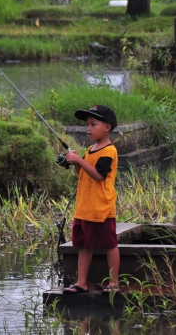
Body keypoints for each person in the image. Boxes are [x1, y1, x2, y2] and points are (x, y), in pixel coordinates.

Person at [62, 105, 120, 295]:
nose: (88, 128)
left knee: (110, 244)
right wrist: (73, 162)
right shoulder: (90, 150)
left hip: (101, 208)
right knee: (83, 245)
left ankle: (114, 282)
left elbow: (98, 176)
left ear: (107, 127)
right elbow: (83, 174)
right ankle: (81, 282)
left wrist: (79, 160)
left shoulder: (109, 151)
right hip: (84, 208)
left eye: (93, 124)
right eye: (87, 124)